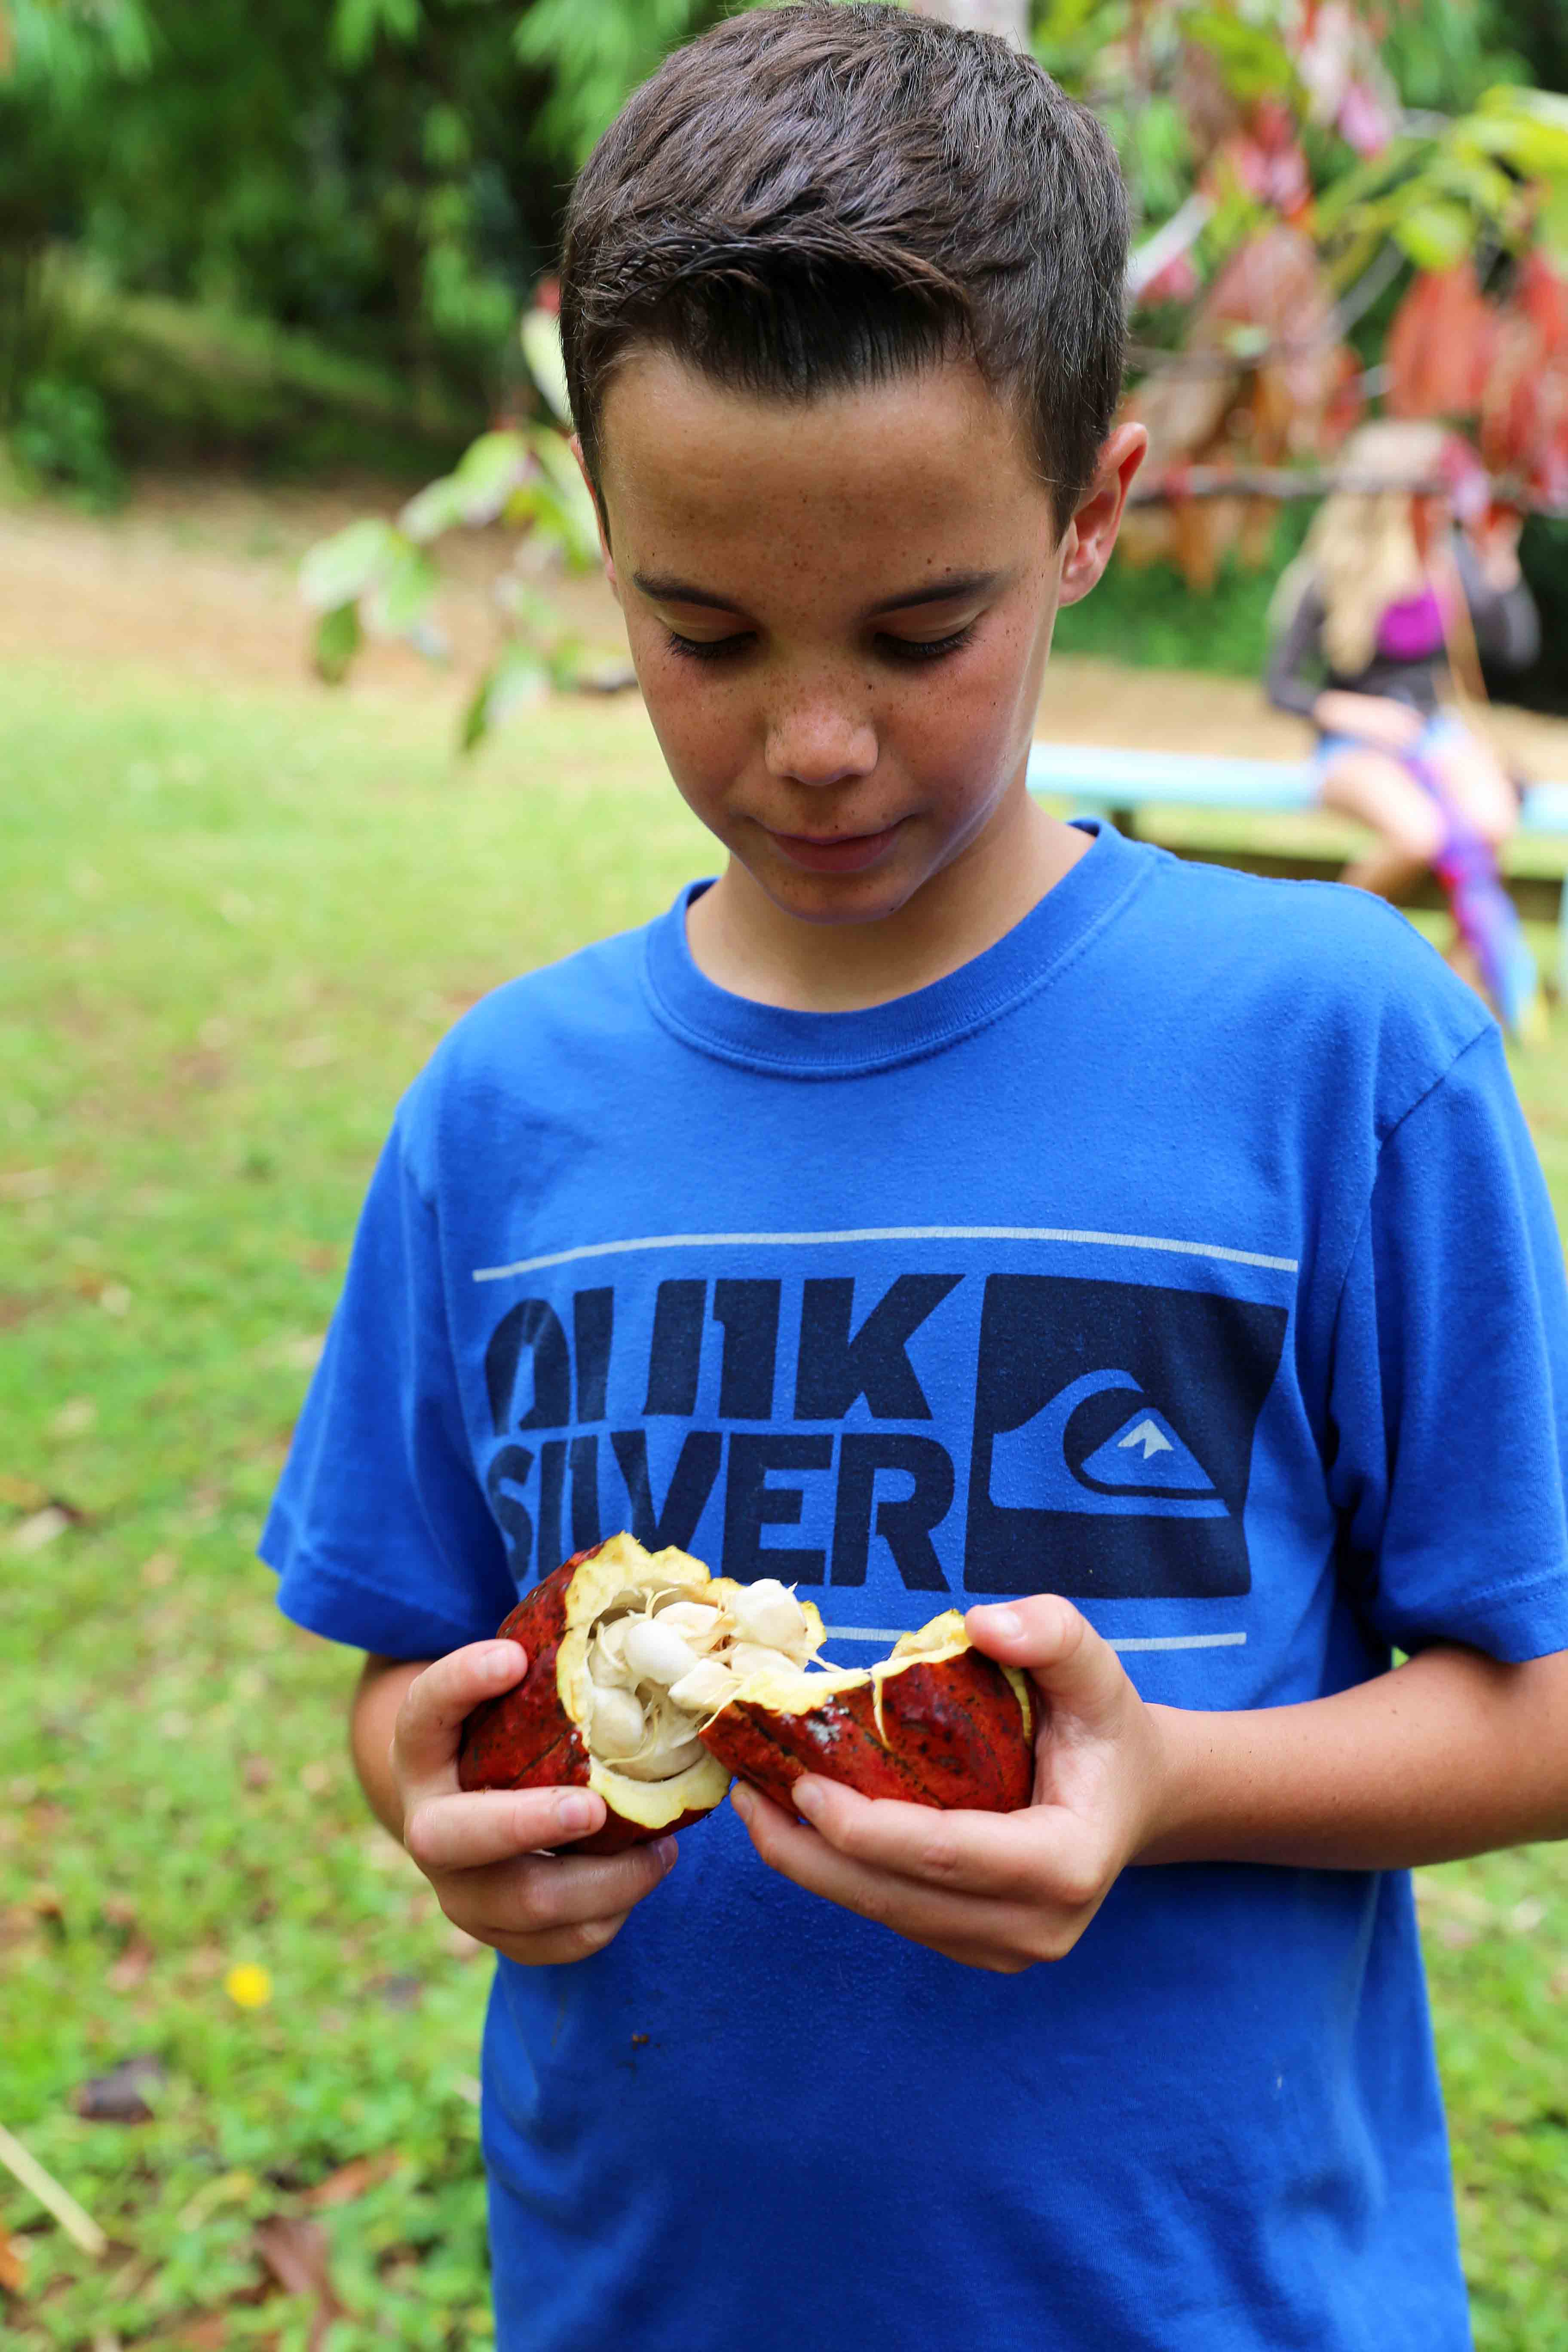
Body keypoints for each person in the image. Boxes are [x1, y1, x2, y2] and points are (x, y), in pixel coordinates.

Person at [261, 10, 1568, 2348]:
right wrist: (433, 1801)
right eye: (704, 632)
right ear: (607, 536)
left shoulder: (1338, 1046)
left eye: (923, 629)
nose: (818, 739)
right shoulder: (504, 1108)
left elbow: (1543, 1694)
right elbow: (411, 1661)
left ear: (1094, 512)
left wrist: (1168, 1786)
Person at [1266, 419, 1543, 1029]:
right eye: (1431, 495)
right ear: (1393, 502)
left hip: (1434, 732)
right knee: (1418, 835)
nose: (1443, 508)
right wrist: (1360, 714)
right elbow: (1279, 688)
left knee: (1491, 823)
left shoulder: (1449, 568)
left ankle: (1453, 999)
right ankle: (1329, 961)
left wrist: (1502, 572)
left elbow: (1515, 651)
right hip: (1351, 743)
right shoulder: (1329, 575)